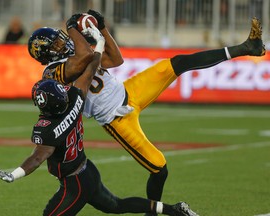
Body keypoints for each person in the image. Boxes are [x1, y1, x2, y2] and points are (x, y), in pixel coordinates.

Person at [27, 11, 265, 216]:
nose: (63, 43)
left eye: (62, 39)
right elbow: (84, 58)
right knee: (159, 167)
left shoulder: (74, 56)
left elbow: (116, 59)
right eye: (56, 44)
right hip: (116, 117)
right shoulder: (52, 73)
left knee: (175, 64)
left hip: (129, 91)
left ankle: (245, 47)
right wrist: (73, 27)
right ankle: (154, 212)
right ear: (45, 54)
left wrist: (103, 28)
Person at [0, 21, 198, 216]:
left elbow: (38, 157)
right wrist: (99, 44)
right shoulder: (75, 98)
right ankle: (174, 210)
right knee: (117, 205)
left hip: (75, 181)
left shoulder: (47, 126)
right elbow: (88, 73)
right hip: (87, 169)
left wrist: (14, 174)